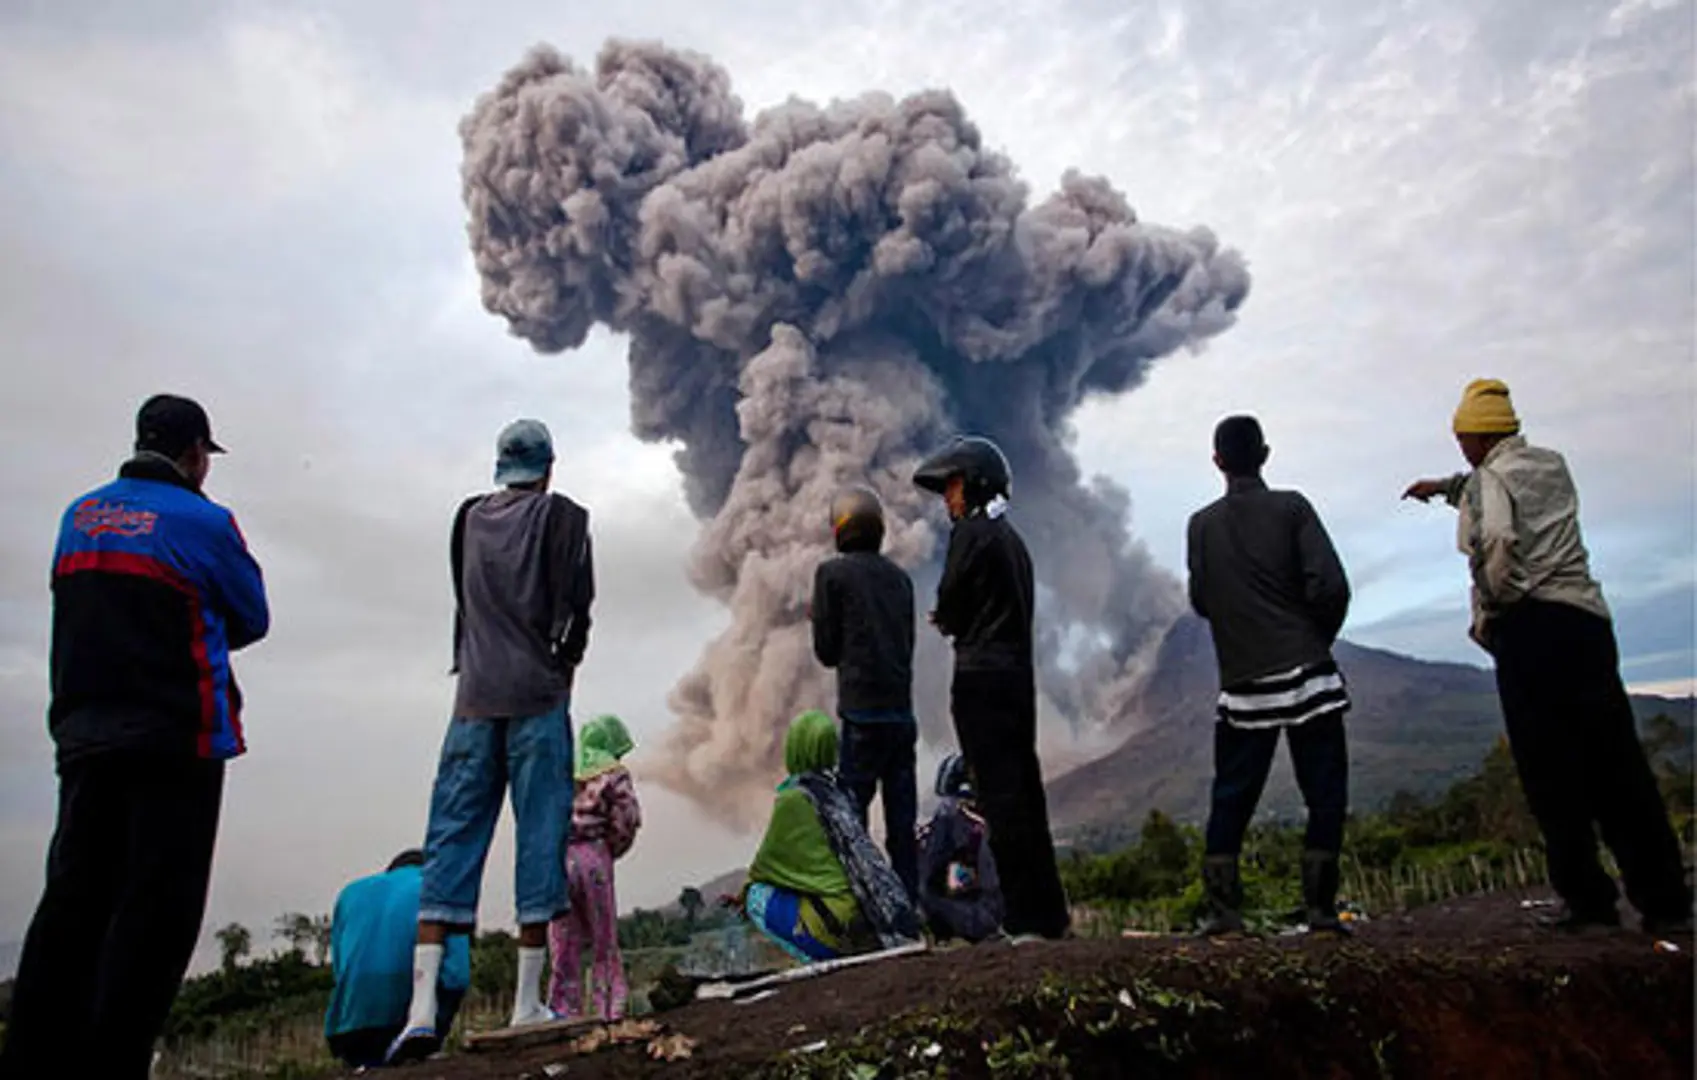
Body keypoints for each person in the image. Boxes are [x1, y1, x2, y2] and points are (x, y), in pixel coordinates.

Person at [0, 394, 269, 1080]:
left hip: (83, 735)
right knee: (156, 911)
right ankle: (115, 1062)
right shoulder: (205, 522)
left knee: (73, 898)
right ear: (195, 454)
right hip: (178, 737)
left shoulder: (78, 516)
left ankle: (33, 1058)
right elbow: (251, 616)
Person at [1403, 379, 1692, 934]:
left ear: (1475, 437)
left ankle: (1589, 904)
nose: (1460, 448)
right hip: (1586, 623)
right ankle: (1665, 901)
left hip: (1531, 629)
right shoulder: (1550, 466)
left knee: (1550, 770)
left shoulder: (1489, 480)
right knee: (1617, 763)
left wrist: (1493, 611)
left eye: (1462, 438)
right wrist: (1442, 488)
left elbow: (1499, 540)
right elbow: (1488, 485)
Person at [387, 419, 595, 1064]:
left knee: (449, 841)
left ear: (499, 466)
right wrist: (562, 669)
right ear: (549, 468)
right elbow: (579, 609)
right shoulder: (563, 519)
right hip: (536, 700)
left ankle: (420, 1014)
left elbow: (464, 605)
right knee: (539, 837)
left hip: (472, 702)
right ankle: (526, 1002)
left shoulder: (466, 520)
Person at [1186, 415, 1353, 936]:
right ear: (1265, 454)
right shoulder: (1292, 508)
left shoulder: (1201, 525)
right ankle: (1322, 910)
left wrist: (1247, 636)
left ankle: (1223, 913)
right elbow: (1331, 587)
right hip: (1309, 677)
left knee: (1232, 794)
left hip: (1245, 684)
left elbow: (1201, 599)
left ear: (1217, 461)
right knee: (1325, 792)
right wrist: (1309, 642)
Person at [912, 435, 1070, 942]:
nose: (948, 498)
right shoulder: (1013, 541)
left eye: (953, 486)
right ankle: (1049, 913)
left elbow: (953, 602)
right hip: (1018, 678)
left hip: (981, 678)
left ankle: (1022, 917)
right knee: (1025, 792)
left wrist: (947, 617)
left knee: (997, 797)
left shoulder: (971, 535)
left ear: (975, 483)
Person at [739, 711, 921, 963]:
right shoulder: (839, 792)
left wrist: (742, 894)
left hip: (835, 920)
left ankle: (819, 957)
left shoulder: (794, 799)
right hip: (865, 914)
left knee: (755, 895)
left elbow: (767, 866)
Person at [810, 486, 920, 899]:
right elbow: (907, 645)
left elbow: (826, 652)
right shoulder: (902, 580)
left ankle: (862, 907)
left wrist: (818, 618)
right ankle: (910, 910)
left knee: (852, 818)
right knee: (902, 824)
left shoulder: (831, 575)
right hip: (902, 715)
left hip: (861, 716)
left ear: (840, 528)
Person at [324, 850, 471, 1069]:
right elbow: (458, 974)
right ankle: (421, 1048)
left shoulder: (350, 893)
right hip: (409, 1014)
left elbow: (338, 967)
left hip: (350, 1021)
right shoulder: (441, 890)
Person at [548, 714, 642, 1022]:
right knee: (604, 937)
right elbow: (626, 818)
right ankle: (608, 1008)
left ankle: (563, 1009)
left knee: (564, 939)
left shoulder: (564, 773)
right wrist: (611, 848)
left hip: (560, 859)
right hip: (594, 858)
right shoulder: (615, 774)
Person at [916, 753, 1005, 944]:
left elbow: (934, 865)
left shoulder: (952, 816)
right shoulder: (984, 817)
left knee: (924, 890)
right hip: (998, 910)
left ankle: (943, 934)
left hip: (976, 916)